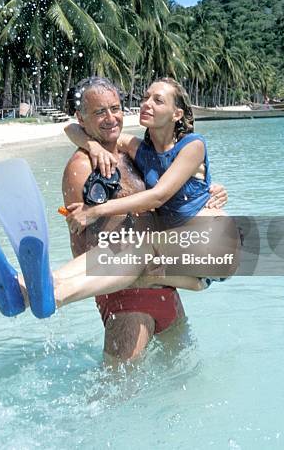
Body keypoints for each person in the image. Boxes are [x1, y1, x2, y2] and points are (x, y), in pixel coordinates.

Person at [60, 77, 229, 360]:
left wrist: (208, 191)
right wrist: (93, 147)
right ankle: (48, 289)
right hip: (127, 298)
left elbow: (164, 198)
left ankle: (198, 283)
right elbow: (80, 243)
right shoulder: (82, 165)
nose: (111, 118)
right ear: (82, 117)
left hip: (167, 288)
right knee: (115, 396)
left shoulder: (134, 154)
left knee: (182, 384)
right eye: (99, 112)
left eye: (115, 108)